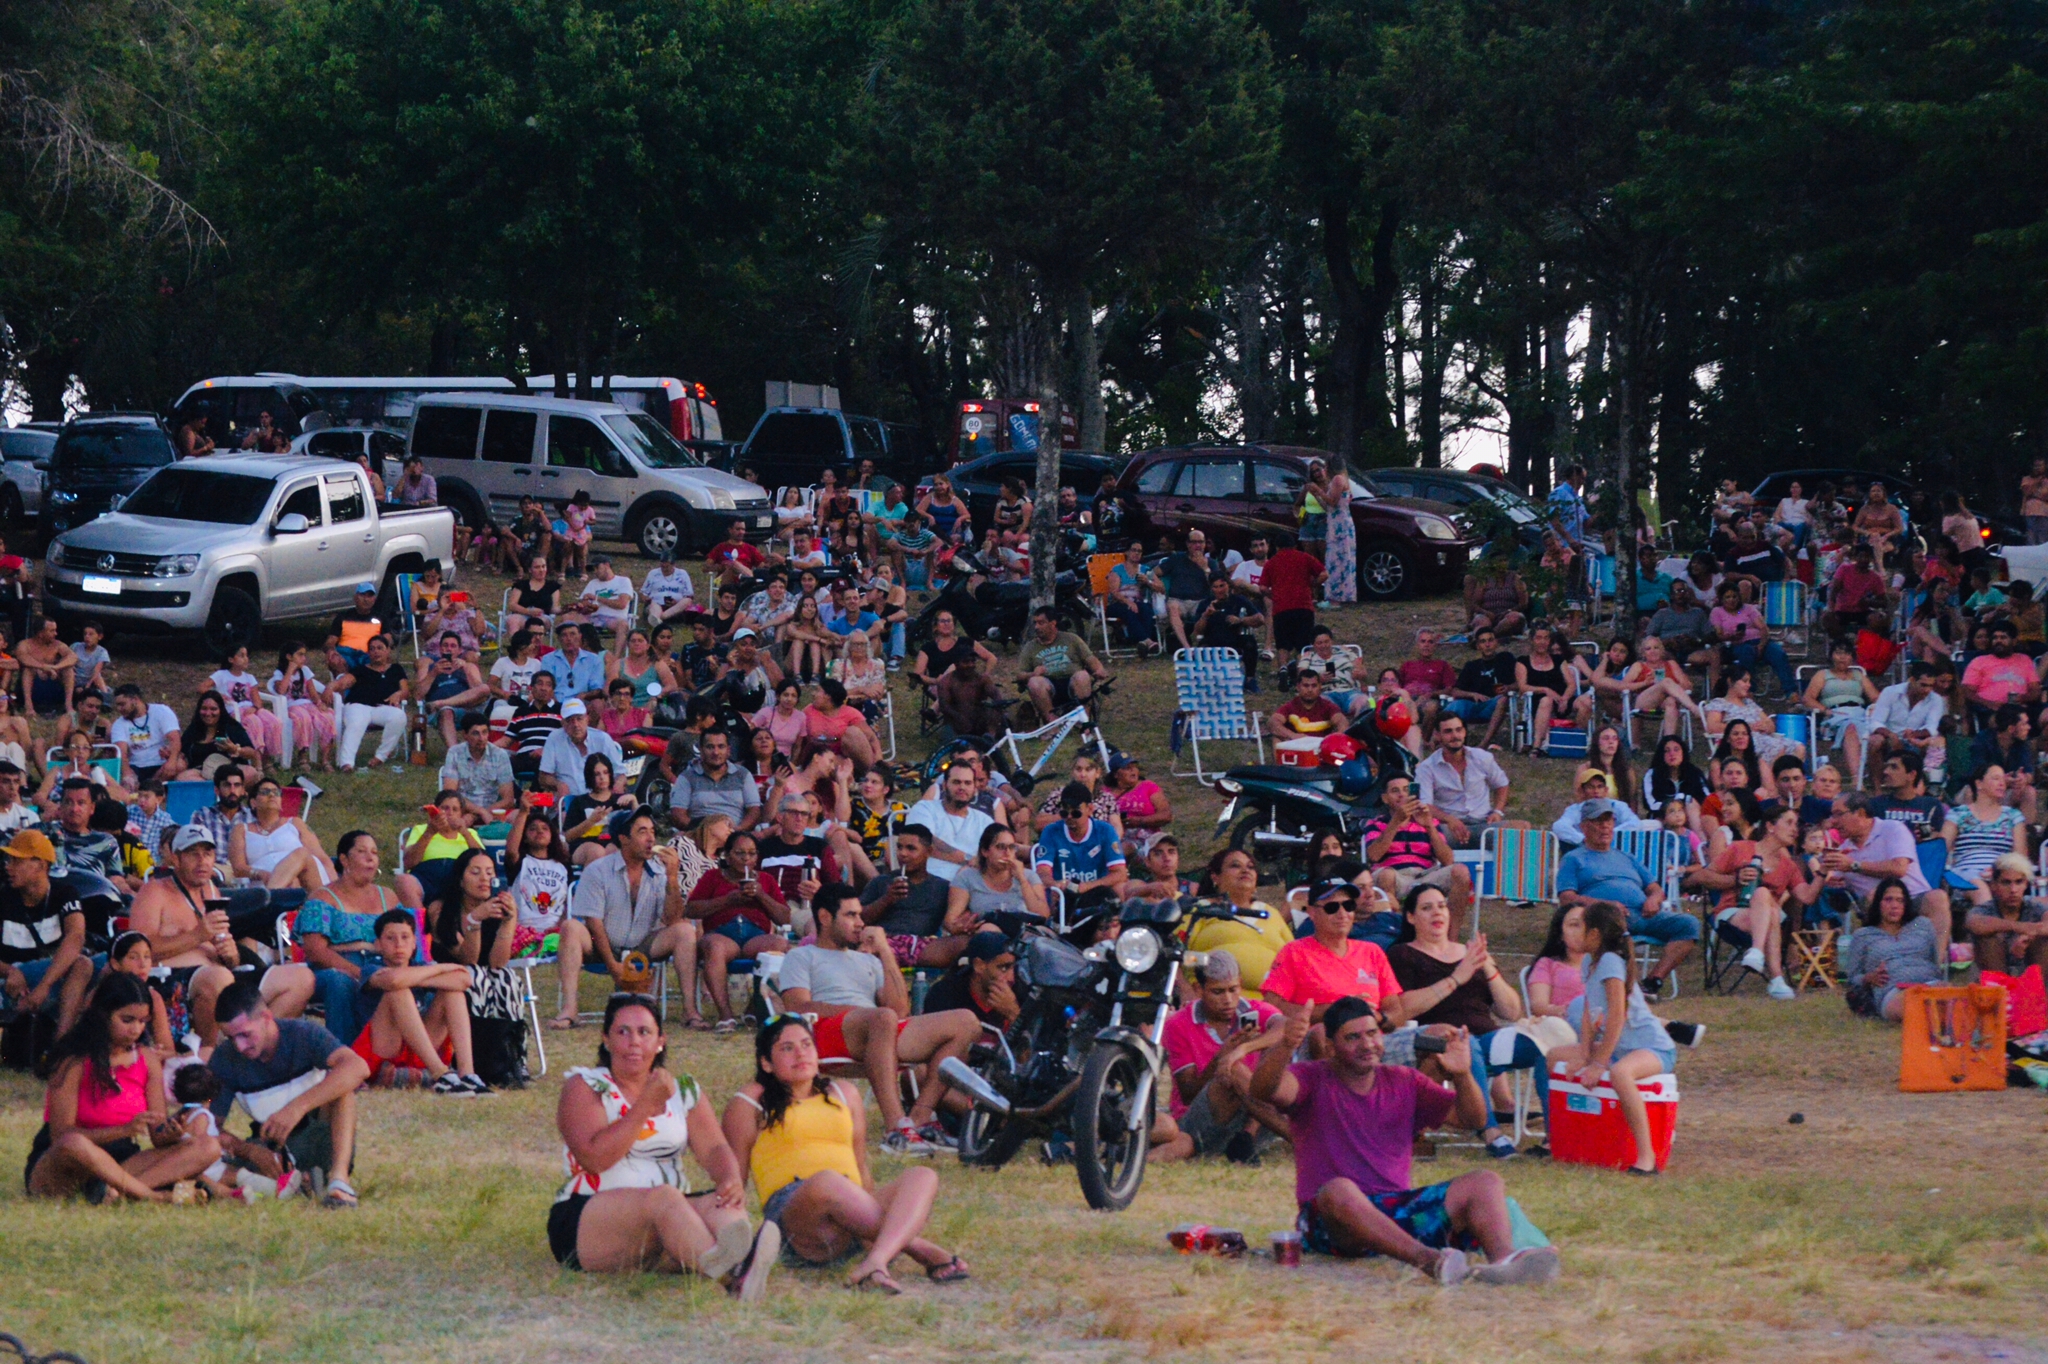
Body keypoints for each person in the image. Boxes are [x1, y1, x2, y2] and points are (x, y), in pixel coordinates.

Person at [1248, 996, 1558, 1284]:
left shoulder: (1404, 1081)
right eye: (1353, 1038)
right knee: (1338, 1189)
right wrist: (1286, 1045)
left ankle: (1505, 1261)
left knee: (1485, 1181)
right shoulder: (1311, 1077)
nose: (1367, 1044)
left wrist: (1463, 1075)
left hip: (1396, 1212)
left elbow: (1472, 1120)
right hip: (1331, 1222)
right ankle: (1430, 1261)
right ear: (1330, 1047)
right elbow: (1263, 1090)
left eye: (1372, 1033)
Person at [547, 993, 778, 1295]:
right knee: (664, 1198)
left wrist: (729, 1178)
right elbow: (595, 1159)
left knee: (720, 1205)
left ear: (660, 1041)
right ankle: (735, 1275)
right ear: (606, 1039)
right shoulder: (585, 1086)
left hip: (667, 1217)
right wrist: (645, 1104)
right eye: (623, 1031)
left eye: (644, 1032)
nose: (634, 1041)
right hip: (589, 1220)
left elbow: (714, 1148)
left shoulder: (683, 1091)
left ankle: (717, 1253)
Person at [723, 1015, 967, 1293]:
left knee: (922, 1175)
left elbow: (859, 1165)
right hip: (797, 1218)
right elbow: (734, 1177)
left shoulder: (843, 1093)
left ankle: (876, 1260)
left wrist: (865, 1204)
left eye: (806, 1045)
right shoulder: (751, 1101)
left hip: (851, 1213)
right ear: (766, 1063)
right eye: (787, 1048)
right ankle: (919, 1248)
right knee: (828, 1180)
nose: (801, 1054)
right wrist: (736, 1243)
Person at [772, 884, 981, 1155]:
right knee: (882, 1018)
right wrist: (858, 1012)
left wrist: (884, 950)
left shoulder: (868, 961)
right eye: (851, 915)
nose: (861, 923)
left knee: (966, 1021)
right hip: (826, 1033)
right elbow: (798, 1007)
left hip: (879, 1030)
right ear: (824, 917)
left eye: (860, 915)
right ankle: (896, 1127)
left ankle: (920, 1116)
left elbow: (900, 1009)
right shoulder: (801, 956)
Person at [24, 974, 222, 1203]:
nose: (136, 1029)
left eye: (143, 1021)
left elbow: (157, 1135)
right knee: (74, 1143)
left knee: (208, 1146)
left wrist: (170, 1133)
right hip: (68, 1163)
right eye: (127, 1020)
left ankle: (114, 1192)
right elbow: (60, 1135)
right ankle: (152, 1195)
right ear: (102, 1015)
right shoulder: (72, 1060)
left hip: (122, 1162)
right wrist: (123, 1130)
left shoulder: (147, 1059)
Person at [1384, 884, 1536, 1158]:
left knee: (1543, 1044)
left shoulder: (1469, 953)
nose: (1437, 912)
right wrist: (1456, 978)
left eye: (1442, 906)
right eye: (1427, 908)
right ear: (1411, 917)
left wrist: (1487, 967)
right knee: (1465, 1043)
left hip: (1489, 1038)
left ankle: (1556, 1136)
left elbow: (1511, 1012)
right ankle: (1491, 1132)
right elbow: (1403, 1008)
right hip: (1440, 1041)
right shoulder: (1401, 955)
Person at [208, 980, 370, 1208]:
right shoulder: (225, 1058)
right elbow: (208, 1125)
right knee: (210, 1164)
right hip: (270, 1147)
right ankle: (298, 1181)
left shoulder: (303, 1034)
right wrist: (250, 1151)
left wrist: (295, 1109)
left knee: (342, 1089)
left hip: (320, 1135)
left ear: (266, 1017)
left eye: (245, 1035)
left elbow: (358, 1067)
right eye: (231, 1038)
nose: (239, 1046)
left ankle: (339, 1181)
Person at [1544, 900, 1676, 1175]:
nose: (1575, 933)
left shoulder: (1610, 962)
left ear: (1594, 934)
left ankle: (1646, 1157)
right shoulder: (1590, 962)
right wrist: (1584, 1052)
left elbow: (1617, 1014)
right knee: (1555, 1057)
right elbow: (1589, 1011)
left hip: (1651, 1048)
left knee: (1620, 1074)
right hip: (1617, 1048)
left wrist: (1598, 1063)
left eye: (1580, 927)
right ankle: (1563, 1137)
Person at [124, 823, 250, 1047]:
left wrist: (231, 955)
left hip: (215, 973)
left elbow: (224, 950)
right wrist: (197, 935)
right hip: (169, 979)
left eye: (207, 854)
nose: (202, 861)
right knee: (218, 979)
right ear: (176, 858)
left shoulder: (211, 891)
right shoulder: (155, 891)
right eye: (193, 854)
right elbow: (138, 949)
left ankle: (253, 1053)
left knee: (294, 978)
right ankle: (208, 1056)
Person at [578, 808, 706, 1027]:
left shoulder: (659, 872)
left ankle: (690, 1010)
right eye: (642, 832)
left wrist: (672, 877)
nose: (651, 839)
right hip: (602, 944)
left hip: (643, 945)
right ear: (623, 838)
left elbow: (672, 918)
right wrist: (613, 965)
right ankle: (569, 1010)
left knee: (685, 931)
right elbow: (594, 922)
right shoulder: (598, 870)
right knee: (571, 928)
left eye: (653, 831)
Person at [1159, 949, 1289, 1163]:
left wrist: (1244, 1049)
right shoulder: (1178, 1024)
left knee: (1278, 1065)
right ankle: (1298, 1139)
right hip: (1201, 1120)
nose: (1228, 1000)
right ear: (1198, 989)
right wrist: (1223, 1057)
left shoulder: (1253, 1010)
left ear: (1240, 985)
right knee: (1234, 1071)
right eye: (1218, 992)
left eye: (1233, 990)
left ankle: (1247, 1137)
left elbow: (1285, 1027)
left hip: (1251, 1116)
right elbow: (1188, 1094)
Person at [1555, 803, 1696, 999]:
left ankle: (1652, 983)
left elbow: (1655, 889)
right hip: (1606, 919)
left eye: (1608, 821)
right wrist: (1604, 906)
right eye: (1598, 821)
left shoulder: (1626, 857)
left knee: (1688, 924)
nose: (1605, 826)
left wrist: (1654, 899)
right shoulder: (1573, 858)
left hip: (1644, 914)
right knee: (1612, 925)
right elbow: (1566, 898)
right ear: (1584, 827)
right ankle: (1624, 988)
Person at [349, 907, 486, 1094]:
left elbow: (464, 980)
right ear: (378, 944)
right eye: (390, 938)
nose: (399, 944)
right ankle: (440, 1074)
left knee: (452, 993)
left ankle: (467, 1074)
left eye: (405, 937)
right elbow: (394, 980)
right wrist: (442, 968)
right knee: (398, 992)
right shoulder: (371, 968)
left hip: (419, 1048)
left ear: (414, 943)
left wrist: (417, 976)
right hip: (383, 1049)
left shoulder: (420, 967)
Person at [1691, 805, 1816, 999]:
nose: (1795, 829)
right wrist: (1736, 879)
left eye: (1796, 824)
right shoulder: (1740, 848)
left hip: (1766, 920)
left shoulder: (1788, 866)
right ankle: (1776, 978)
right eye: (1789, 823)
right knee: (1766, 899)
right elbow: (1701, 876)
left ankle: (1756, 953)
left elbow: (1807, 897)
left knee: (1768, 905)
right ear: (1770, 826)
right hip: (1733, 914)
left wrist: (1823, 873)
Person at [1825, 792, 1954, 964]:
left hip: (1914, 910)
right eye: (1832, 816)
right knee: (1874, 896)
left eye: (1839, 814)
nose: (1833, 822)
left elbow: (1899, 868)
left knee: (1938, 898)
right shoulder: (1843, 852)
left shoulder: (1892, 829)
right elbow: (1833, 892)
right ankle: (1890, 963)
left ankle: (1933, 965)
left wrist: (1854, 866)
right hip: (1876, 912)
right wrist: (1834, 884)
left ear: (1861, 813)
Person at [0, 829, 94, 1036]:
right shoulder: (3, 897)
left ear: (41, 865)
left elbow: (76, 936)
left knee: (99, 963)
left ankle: (62, 1043)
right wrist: (10, 971)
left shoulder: (64, 893)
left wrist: (44, 985)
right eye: (9, 860)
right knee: (81, 963)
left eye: (17, 861)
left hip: (49, 974)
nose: (8, 867)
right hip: (13, 979)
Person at [1360, 775, 1472, 931]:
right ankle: (1395, 934)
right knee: (1386, 876)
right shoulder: (1376, 823)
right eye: (1395, 791)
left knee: (1461, 872)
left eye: (1406, 790)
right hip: (1394, 875)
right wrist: (1395, 822)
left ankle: (1450, 938)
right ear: (1385, 798)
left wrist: (1429, 826)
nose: (1402, 795)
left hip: (1425, 874)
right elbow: (1374, 856)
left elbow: (1447, 860)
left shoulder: (1429, 821)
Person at [857, 823, 963, 968]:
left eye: (911, 848)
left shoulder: (943, 887)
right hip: (883, 941)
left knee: (966, 943)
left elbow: (953, 919)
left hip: (922, 947)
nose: (903, 854)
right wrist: (887, 899)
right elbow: (860, 920)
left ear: (929, 851)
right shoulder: (881, 882)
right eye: (899, 847)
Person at [1841, 877, 1942, 1020]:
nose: (1895, 906)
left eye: (1900, 900)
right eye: (1888, 900)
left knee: (1952, 997)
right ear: (1878, 903)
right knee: (1915, 1006)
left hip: (1929, 983)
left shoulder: (1921, 925)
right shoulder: (1863, 935)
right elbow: (1852, 979)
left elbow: (1935, 961)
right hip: (1894, 989)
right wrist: (1868, 978)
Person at [1031, 781, 1128, 913]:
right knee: (1043, 892)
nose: (1069, 817)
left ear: (1090, 809)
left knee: (1120, 888)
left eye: (1076, 812)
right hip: (1062, 894)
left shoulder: (1105, 831)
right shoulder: (1051, 831)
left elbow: (1120, 873)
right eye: (1064, 812)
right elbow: (1042, 871)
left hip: (1097, 891)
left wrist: (1086, 886)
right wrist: (1054, 885)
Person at [1414, 713, 1509, 848]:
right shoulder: (1427, 767)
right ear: (1437, 735)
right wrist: (1449, 819)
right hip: (1449, 828)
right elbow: (1425, 805)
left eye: (1458, 730)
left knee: (1522, 828)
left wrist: (1497, 812)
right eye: (1448, 732)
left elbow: (1501, 784)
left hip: (1483, 824)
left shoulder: (1482, 757)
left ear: (1464, 732)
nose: (1455, 736)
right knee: (1427, 836)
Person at [228, 776, 335, 892]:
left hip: (308, 883)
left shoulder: (295, 823)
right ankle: (276, 893)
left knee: (302, 853)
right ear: (253, 802)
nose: (272, 795)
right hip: (262, 885)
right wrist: (260, 873)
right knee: (293, 882)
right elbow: (238, 868)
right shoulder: (241, 830)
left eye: (276, 792)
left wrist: (336, 893)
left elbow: (323, 859)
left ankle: (272, 894)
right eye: (265, 792)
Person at [905, 762, 997, 885]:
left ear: (975, 789)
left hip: (971, 885)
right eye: (956, 782)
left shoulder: (984, 821)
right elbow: (922, 843)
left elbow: (997, 851)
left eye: (967, 783)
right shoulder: (924, 808)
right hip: (929, 881)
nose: (962, 787)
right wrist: (969, 859)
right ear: (944, 785)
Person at [332, 634, 410, 772]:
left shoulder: (396, 669)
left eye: (380, 648)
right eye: (372, 649)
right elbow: (343, 682)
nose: (376, 652)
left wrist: (398, 694)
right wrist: (330, 687)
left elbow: (405, 690)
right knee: (357, 723)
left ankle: (381, 756)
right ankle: (346, 763)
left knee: (399, 716)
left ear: (388, 650)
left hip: (382, 708)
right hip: (358, 705)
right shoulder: (360, 670)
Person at [1017, 607, 1109, 722]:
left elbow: (1089, 658)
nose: (1036, 627)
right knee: (1034, 682)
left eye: (1041, 623)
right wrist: (1032, 674)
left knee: (1082, 675)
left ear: (1053, 623)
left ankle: (1083, 722)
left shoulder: (1071, 639)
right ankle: (1052, 723)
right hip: (1048, 687)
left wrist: (1099, 669)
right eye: (1035, 623)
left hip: (1073, 682)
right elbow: (1020, 675)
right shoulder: (1030, 647)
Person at [670, 729, 763, 833]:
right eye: (710, 747)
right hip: (700, 834)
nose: (716, 752)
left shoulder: (743, 774)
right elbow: (678, 814)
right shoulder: (687, 777)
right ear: (701, 750)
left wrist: (737, 830)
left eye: (721, 746)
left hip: (734, 834)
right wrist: (702, 832)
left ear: (728, 750)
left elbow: (754, 811)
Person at [1967, 854, 2048, 973]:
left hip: (2032, 971)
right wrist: (2022, 928)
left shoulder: (2034, 906)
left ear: (2026, 884)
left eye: (2019, 882)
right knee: (1988, 939)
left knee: (2043, 939)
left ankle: (2038, 985)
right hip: (1994, 971)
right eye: (2006, 882)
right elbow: (1975, 923)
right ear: (1994, 885)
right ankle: (1999, 984)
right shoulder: (1985, 909)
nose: (2013, 890)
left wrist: (2028, 937)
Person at [17, 617, 78, 721]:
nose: (56, 633)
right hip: (34, 686)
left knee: (68, 669)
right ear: (41, 633)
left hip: (53, 683)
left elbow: (73, 657)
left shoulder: (57, 645)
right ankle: (29, 707)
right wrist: (42, 667)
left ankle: (68, 706)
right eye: (52, 631)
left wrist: (55, 667)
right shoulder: (25, 644)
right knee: (28, 669)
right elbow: (23, 658)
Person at [1463, 554, 1529, 640]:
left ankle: (1490, 635)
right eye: (1499, 561)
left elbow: (1523, 603)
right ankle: (1483, 635)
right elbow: (1475, 604)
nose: (1502, 563)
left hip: (1509, 613)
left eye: (1504, 560)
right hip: (1488, 614)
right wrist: (1486, 612)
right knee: (1481, 621)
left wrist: (1508, 611)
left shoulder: (1515, 578)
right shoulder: (1485, 579)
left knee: (1515, 618)